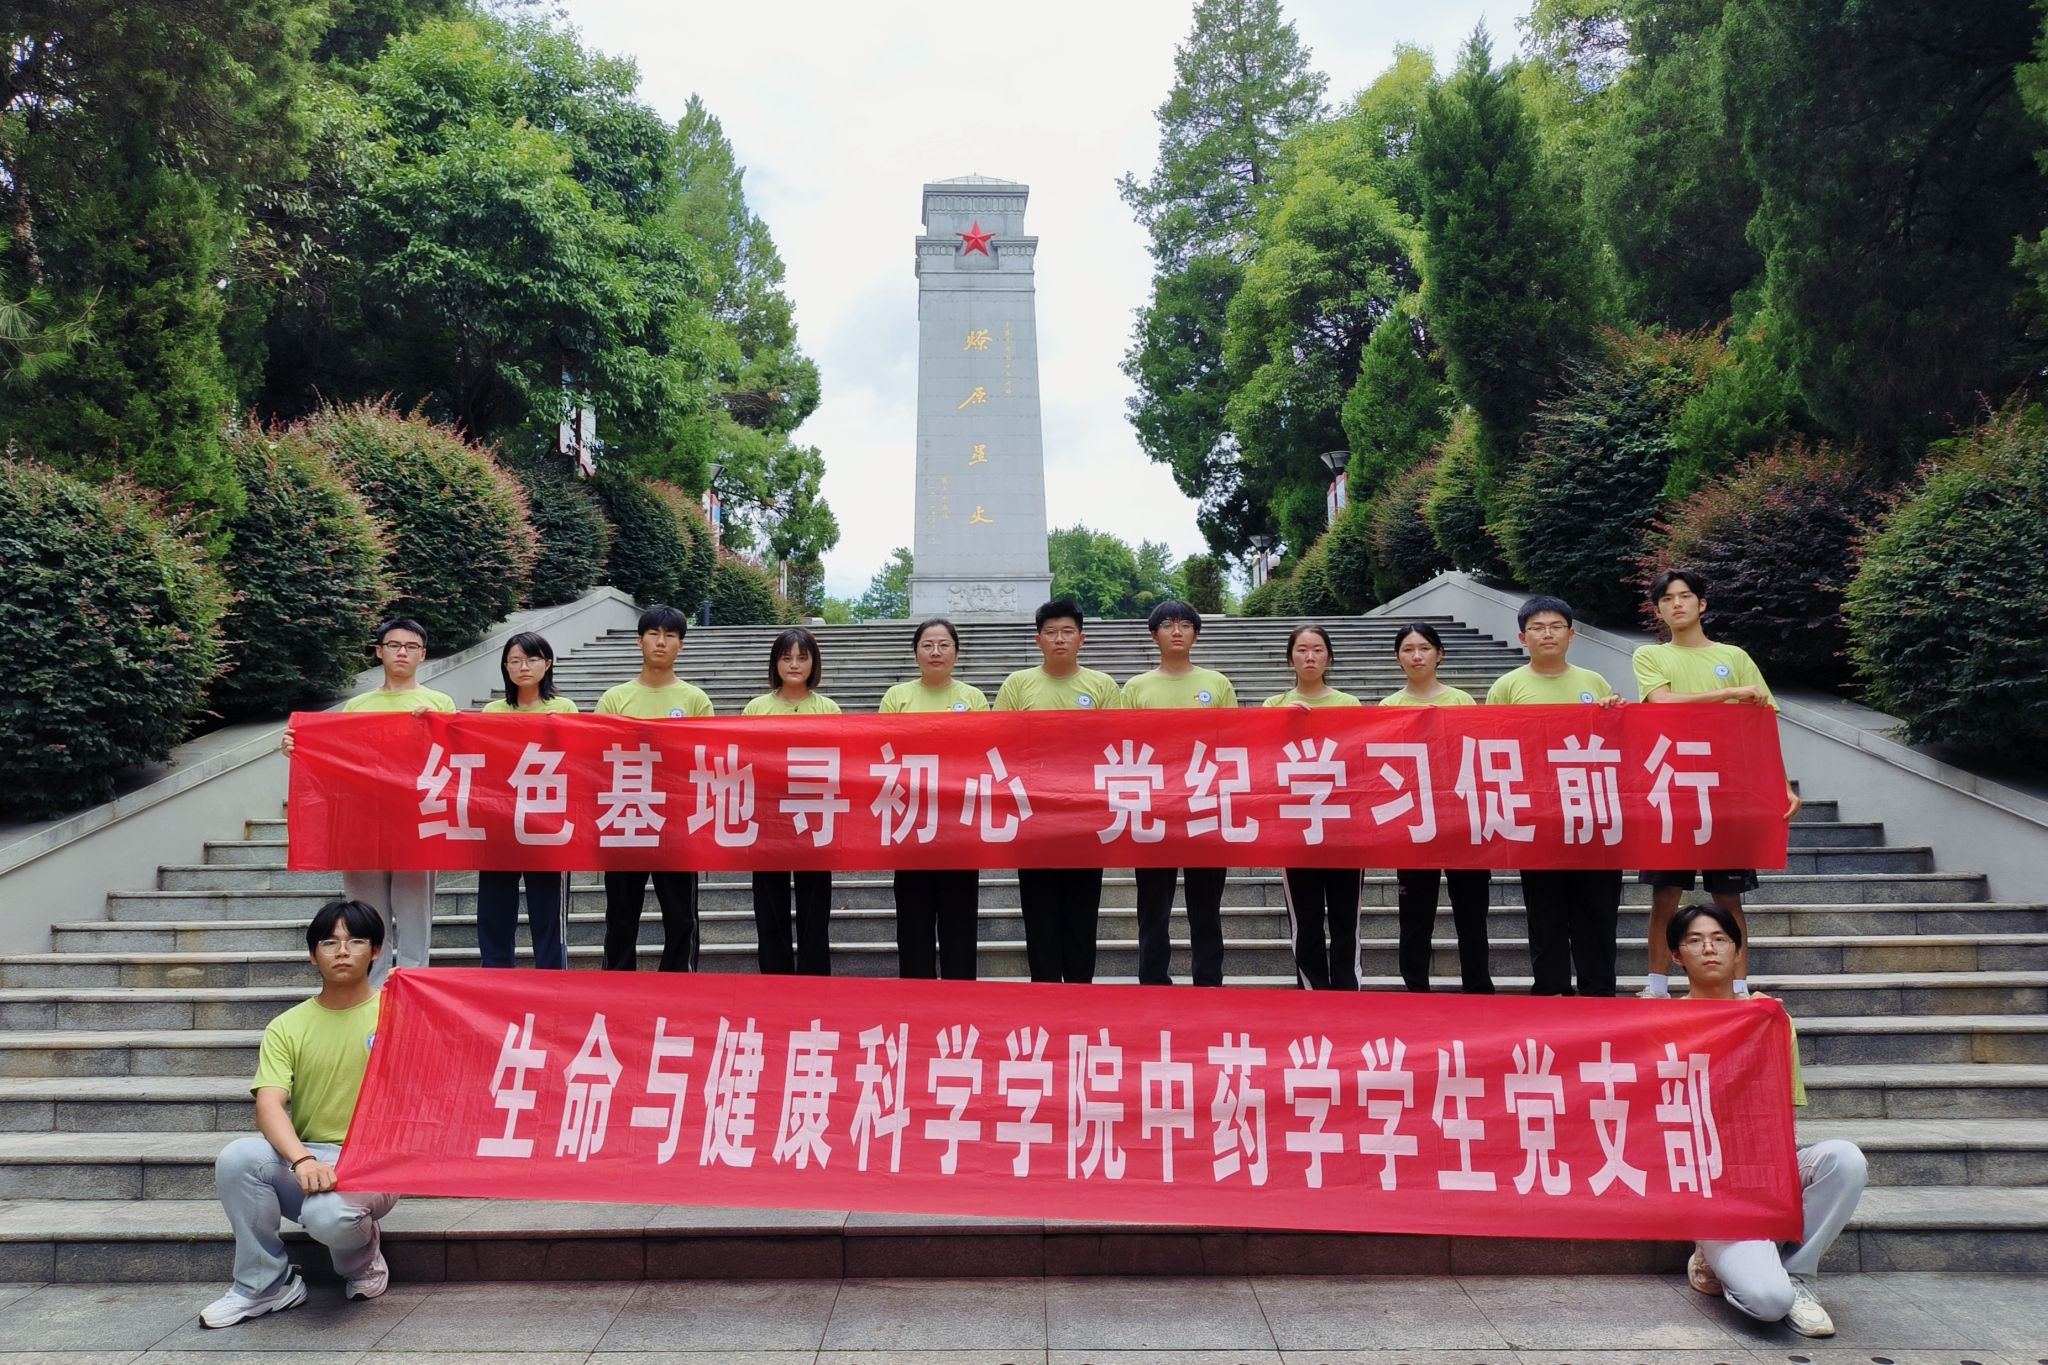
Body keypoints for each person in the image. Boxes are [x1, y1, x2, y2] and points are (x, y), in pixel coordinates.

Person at [202, 899, 398, 1328]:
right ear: (313, 955)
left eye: (355, 941)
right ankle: (265, 1284)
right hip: (310, 1159)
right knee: (238, 1158)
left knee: (328, 1217)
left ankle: (363, 1261)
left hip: (373, 1162)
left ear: (376, 951)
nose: (342, 951)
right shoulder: (287, 1026)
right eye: (329, 942)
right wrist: (302, 1160)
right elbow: (268, 1105)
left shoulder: (397, 1015)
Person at [1671, 902, 1864, 1338]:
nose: (1709, 949)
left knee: (1845, 1159)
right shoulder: (1664, 1023)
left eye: (1720, 939)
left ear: (1738, 951)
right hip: (1711, 1188)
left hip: (1762, 1173)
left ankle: (1797, 1274)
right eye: (1695, 940)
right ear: (1677, 956)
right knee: (1768, 1303)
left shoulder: (1770, 1018)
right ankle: (1718, 1258)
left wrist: (1762, 1025)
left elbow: (1779, 1113)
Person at [1635, 568, 1802, 998]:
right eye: (1667, 599)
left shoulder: (1735, 657)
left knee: (1729, 896)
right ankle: (1657, 986)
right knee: (1665, 894)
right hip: (1672, 787)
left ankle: (1738, 986)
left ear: (1702, 603)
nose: (1677, 604)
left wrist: (1781, 784)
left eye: (1685, 596)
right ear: (1658, 610)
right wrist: (1728, 695)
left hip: (1726, 788)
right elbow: (1662, 703)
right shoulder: (1649, 656)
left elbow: (1761, 727)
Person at [280, 618, 456, 984]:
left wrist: (436, 726)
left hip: (416, 819)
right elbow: (339, 759)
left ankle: (413, 982)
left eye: (411, 646)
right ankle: (370, 988)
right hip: (364, 820)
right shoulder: (358, 705)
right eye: (394, 645)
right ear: (379, 651)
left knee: (415, 910)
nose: (402, 652)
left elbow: (456, 758)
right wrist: (300, 749)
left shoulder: (439, 702)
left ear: (423, 654)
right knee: (366, 912)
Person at [1485, 596, 1626, 997]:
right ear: (1522, 637)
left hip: (1591, 814)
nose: (1547, 634)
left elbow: (1616, 744)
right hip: (1539, 818)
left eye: (1555, 626)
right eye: (1537, 628)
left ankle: (1599, 995)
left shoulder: (1594, 683)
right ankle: (1550, 993)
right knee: (1544, 913)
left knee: (1598, 911)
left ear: (1571, 634)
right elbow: (1491, 748)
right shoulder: (1507, 687)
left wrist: (1615, 712)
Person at [994, 599, 1122, 983]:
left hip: (1085, 817)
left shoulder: (1102, 686)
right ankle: (1044, 994)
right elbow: (998, 744)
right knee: (1039, 914)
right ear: (1038, 640)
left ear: (1082, 638)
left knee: (1083, 913)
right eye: (1050, 632)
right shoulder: (1018, 685)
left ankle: (1080, 992)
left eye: (1067, 632)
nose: (1059, 639)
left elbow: (1115, 747)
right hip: (1034, 816)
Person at [1120, 600, 1239, 987]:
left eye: (1185, 625)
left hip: (1205, 804)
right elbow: (1124, 747)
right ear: (1153, 635)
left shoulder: (1216, 683)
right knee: (1153, 906)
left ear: (1196, 634)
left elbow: (1234, 742)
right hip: (1154, 807)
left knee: (1206, 905)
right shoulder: (1136, 688)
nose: (1176, 631)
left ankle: (1208, 979)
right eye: (1167, 625)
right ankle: (1153, 979)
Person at [594, 604, 712, 971]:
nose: (661, 642)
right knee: (620, 915)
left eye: (670, 635)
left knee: (681, 917)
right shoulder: (614, 699)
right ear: (639, 641)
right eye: (653, 634)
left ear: (682, 645)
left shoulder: (695, 700)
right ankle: (618, 983)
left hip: (676, 822)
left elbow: (705, 760)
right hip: (625, 817)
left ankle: (677, 984)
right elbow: (597, 759)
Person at [1379, 622, 1493, 994]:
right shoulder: (1388, 706)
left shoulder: (1461, 700)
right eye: (1408, 649)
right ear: (1397, 657)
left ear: (1439, 654)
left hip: (1462, 820)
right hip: (1414, 821)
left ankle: (1478, 989)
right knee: (1415, 918)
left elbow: (1474, 755)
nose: (1417, 656)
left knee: (1472, 916)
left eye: (1425, 648)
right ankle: (1416, 990)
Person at [879, 617, 988, 980]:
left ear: (956, 652)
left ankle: (961, 994)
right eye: (927, 645)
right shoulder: (897, 697)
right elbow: (883, 752)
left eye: (944, 645)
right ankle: (916, 996)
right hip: (911, 822)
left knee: (960, 921)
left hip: (959, 825)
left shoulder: (973, 698)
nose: (935, 652)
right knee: (913, 922)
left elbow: (983, 754)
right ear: (916, 652)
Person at [1263, 624, 1363, 990]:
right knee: (1305, 920)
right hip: (1296, 826)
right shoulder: (1273, 706)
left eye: (1318, 650)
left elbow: (1359, 759)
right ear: (1290, 657)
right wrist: (1280, 722)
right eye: (1302, 650)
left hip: (1343, 828)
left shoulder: (1349, 704)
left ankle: (1347, 990)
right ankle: (1312, 989)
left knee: (1345, 919)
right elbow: (1260, 759)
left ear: (1329, 657)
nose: (1310, 657)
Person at [475, 632, 577, 969]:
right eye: (515, 660)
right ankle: (496, 976)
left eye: (532, 659)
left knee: (547, 912)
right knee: (494, 910)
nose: (523, 667)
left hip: (547, 823)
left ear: (547, 664)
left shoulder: (564, 708)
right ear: (505, 666)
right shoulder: (492, 711)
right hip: (500, 823)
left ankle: (551, 980)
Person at [742, 628, 841, 975]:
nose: (794, 664)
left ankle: (815, 981)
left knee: (816, 909)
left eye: (802, 657)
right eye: (786, 658)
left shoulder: (829, 709)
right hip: (769, 818)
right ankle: (775, 979)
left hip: (815, 815)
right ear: (775, 663)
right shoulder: (757, 708)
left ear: (814, 663)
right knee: (769, 907)